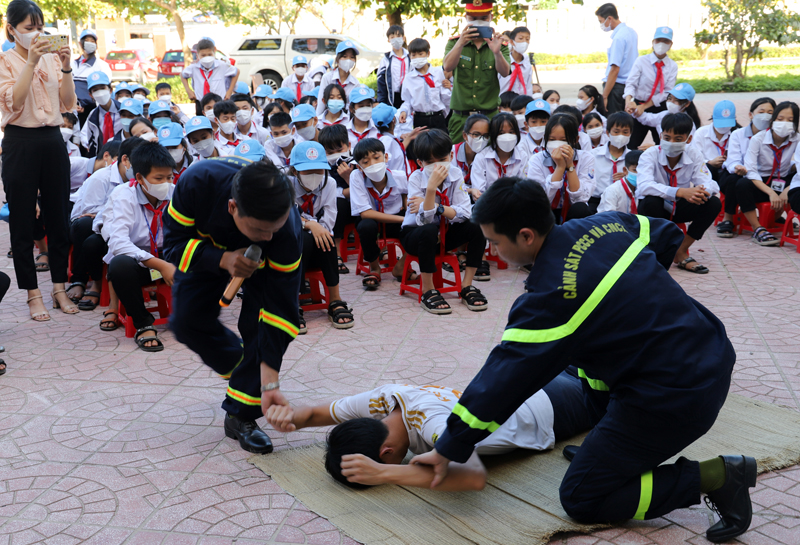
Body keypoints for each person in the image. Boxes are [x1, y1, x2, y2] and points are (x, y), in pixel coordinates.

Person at [412, 177, 756, 544]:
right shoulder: (602, 224)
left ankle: (719, 476)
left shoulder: (553, 296)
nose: (493, 252)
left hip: (676, 394)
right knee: (582, 362)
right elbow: (666, 235)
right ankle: (610, 445)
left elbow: (503, 378)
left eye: (495, 242)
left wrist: (450, 446)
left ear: (526, 235)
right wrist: (636, 303)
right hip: (708, 348)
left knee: (582, 496)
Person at [164, 157, 303, 454]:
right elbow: (173, 244)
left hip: (265, 268)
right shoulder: (197, 182)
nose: (267, 237)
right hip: (205, 251)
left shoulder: (286, 232)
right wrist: (223, 260)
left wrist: (268, 381)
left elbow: (280, 309)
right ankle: (242, 365)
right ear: (232, 207)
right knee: (186, 322)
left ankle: (241, 415)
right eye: (258, 230)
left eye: (272, 230)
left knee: (260, 329)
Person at [266, 370, 596, 490]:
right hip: (534, 378)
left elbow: (473, 476)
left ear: (386, 453)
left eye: (387, 463)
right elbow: (314, 414)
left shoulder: (431, 426)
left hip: (558, 406)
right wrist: (287, 417)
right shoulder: (384, 401)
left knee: (617, 395)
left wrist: (383, 475)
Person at [0, 0, 80, 321]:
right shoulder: (4, 61)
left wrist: (66, 66)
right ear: (11, 30)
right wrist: (31, 61)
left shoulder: (50, 55)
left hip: (52, 140)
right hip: (20, 140)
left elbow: (69, 103)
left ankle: (58, 287)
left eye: (40, 28)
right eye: (28, 29)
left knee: (59, 216)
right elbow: (15, 103)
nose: (36, 34)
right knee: (22, 221)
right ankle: (33, 294)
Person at [399, 129, 488, 314]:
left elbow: (465, 212)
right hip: (415, 235)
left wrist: (435, 206)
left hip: (446, 232)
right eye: (430, 162)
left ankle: (467, 286)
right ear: (420, 163)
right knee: (429, 230)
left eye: (442, 159)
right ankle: (428, 290)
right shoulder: (415, 178)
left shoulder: (456, 174)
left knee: (477, 226)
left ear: (451, 155)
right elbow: (423, 220)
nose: (437, 166)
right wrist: (431, 189)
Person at [104, 142, 176, 351]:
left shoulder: (175, 192)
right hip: (140, 262)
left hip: (168, 257)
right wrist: (160, 265)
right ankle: (143, 324)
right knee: (119, 265)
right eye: (158, 179)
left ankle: (196, 315)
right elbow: (118, 242)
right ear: (140, 178)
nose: (166, 183)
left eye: (169, 177)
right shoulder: (123, 195)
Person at [637, 112, 721, 273]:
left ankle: (681, 250)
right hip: (656, 209)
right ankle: (658, 251)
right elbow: (644, 186)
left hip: (680, 207)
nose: (671, 142)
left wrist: (701, 191)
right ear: (660, 135)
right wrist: (680, 192)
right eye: (667, 138)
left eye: (678, 139)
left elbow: (710, 183)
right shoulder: (650, 154)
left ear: (688, 139)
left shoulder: (693, 153)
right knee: (650, 201)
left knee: (712, 202)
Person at [290, 140, 355, 332]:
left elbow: (329, 222)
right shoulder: (285, 185)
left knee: (325, 238)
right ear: (295, 171)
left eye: (319, 170)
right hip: (291, 247)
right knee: (307, 237)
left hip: (318, 246)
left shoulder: (329, 183)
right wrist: (309, 223)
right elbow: (285, 220)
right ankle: (292, 303)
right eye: (307, 171)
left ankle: (335, 299)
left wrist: (316, 227)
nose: (314, 176)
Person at [443, 1, 510, 143]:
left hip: (489, 117)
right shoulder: (455, 42)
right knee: (458, 161)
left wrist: (497, 53)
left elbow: (505, 72)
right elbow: (447, 67)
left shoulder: (499, 43)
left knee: (489, 161)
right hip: (461, 118)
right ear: (466, 17)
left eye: (484, 18)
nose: (479, 22)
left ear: (491, 17)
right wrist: (460, 43)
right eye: (474, 18)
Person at [66, 140, 121, 308]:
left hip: (114, 224)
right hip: (85, 222)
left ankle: (99, 282)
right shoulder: (101, 176)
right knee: (85, 226)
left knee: (93, 242)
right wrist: (106, 213)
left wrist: (105, 213)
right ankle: (80, 279)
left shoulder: (137, 179)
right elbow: (88, 210)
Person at [350, 137, 411, 289]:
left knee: (416, 229)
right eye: (365, 162)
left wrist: (407, 216)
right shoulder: (356, 177)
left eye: (376, 158)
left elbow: (407, 197)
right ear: (359, 167)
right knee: (366, 226)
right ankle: (374, 267)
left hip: (396, 219)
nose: (373, 164)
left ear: (386, 157)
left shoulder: (399, 176)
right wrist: (401, 219)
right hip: (374, 220)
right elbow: (365, 213)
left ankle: (403, 265)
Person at [716, 98, 776, 238]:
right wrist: (738, 167)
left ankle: (774, 216)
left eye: (770, 112)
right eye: (761, 111)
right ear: (751, 114)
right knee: (734, 179)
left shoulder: (774, 136)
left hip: (759, 178)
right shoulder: (738, 134)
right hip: (737, 174)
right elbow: (731, 161)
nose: (765, 115)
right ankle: (728, 218)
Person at [745, 102, 799, 244]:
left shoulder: (797, 139)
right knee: (741, 184)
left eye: (790, 120)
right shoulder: (758, 138)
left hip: (784, 180)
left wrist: (788, 190)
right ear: (773, 120)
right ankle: (758, 228)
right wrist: (771, 193)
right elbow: (750, 170)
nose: (784, 123)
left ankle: (775, 219)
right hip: (762, 182)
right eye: (780, 119)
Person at [526, 114, 594, 223]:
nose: (557, 145)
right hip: (547, 210)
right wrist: (560, 167)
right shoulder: (536, 159)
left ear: (575, 139)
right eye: (552, 139)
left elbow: (581, 199)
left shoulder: (586, 158)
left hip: (572, 211)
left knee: (581, 209)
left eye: (563, 140)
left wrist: (570, 166)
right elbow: (539, 199)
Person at [624, 27, 677, 149]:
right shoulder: (641, 61)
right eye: (659, 40)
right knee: (632, 143)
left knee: (662, 143)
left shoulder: (672, 66)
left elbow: (667, 92)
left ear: (671, 44)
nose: (661, 44)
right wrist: (629, 103)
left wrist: (644, 106)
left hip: (659, 107)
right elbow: (631, 83)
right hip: (637, 106)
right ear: (653, 42)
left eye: (666, 41)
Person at [319, 124, 358, 274]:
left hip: (359, 209)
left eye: (340, 150)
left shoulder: (357, 161)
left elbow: (365, 192)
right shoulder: (323, 167)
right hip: (338, 210)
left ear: (348, 146)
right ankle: (336, 253)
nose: (336, 155)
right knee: (337, 203)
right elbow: (329, 194)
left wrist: (349, 179)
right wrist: (348, 190)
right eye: (330, 152)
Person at [470, 112, 526, 199]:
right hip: (488, 205)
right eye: (501, 133)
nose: (507, 137)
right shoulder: (481, 157)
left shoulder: (522, 156)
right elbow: (479, 192)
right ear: (493, 134)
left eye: (511, 132)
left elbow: (524, 188)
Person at [595, 2, 638, 114]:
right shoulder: (631, 32)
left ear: (609, 18)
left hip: (616, 87)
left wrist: (605, 96)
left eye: (601, 21)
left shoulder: (618, 38)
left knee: (614, 123)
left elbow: (615, 69)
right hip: (628, 86)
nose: (601, 25)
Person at [399, 38, 449, 132]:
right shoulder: (409, 78)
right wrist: (404, 111)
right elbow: (407, 101)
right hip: (420, 119)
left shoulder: (438, 73)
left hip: (438, 118)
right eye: (413, 55)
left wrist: (442, 114)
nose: (417, 57)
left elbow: (446, 97)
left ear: (428, 54)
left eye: (420, 54)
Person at [589, 111, 634, 213]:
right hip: (598, 199)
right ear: (608, 133)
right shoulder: (593, 155)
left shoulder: (633, 158)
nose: (620, 136)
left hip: (625, 199)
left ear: (630, 134)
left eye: (625, 132)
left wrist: (628, 180)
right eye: (616, 132)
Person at [181, 38, 239, 106]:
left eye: (209, 55)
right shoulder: (194, 67)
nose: (207, 58)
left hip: (220, 102)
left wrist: (229, 91)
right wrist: (188, 90)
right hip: (201, 102)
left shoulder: (222, 65)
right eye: (203, 55)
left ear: (214, 53)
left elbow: (236, 72)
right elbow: (182, 75)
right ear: (197, 56)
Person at [71, 28, 111, 127]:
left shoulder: (102, 65)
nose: (90, 43)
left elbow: (105, 91)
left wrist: (87, 105)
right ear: (80, 43)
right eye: (87, 41)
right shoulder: (72, 64)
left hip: (93, 110)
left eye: (92, 41)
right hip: (73, 110)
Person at [634, 83, 701, 141]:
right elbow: (648, 119)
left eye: (676, 100)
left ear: (687, 103)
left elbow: (687, 146)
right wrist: (634, 110)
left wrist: (656, 148)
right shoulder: (665, 115)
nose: (671, 103)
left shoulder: (688, 124)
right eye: (670, 98)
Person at [81, 71, 122, 157]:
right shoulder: (93, 115)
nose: (100, 93)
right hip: (104, 158)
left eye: (103, 88)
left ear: (110, 90)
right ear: (91, 95)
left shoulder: (124, 110)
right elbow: (85, 135)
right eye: (95, 90)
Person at [316, 41, 361, 116]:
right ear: (337, 59)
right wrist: (318, 120)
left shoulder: (355, 83)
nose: (348, 60)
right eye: (344, 56)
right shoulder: (327, 78)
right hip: (328, 118)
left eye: (352, 57)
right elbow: (321, 103)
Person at [452, 113, 490, 199]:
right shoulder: (451, 153)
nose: (481, 139)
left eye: (485, 136)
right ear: (465, 135)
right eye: (476, 134)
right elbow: (448, 185)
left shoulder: (489, 158)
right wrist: (470, 190)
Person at [377, 25, 410, 109]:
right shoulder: (386, 60)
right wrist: (382, 103)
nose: (396, 39)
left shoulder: (410, 58)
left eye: (398, 36)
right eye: (392, 37)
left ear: (403, 38)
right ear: (388, 40)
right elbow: (381, 82)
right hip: (393, 97)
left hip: (409, 95)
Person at [598, 149, 641, 213]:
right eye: (635, 170)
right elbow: (609, 216)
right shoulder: (613, 190)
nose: (639, 173)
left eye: (642, 170)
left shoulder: (642, 190)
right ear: (625, 170)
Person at [499, 26, 532, 96]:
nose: (524, 42)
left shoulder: (527, 65)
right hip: (504, 102)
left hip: (520, 103)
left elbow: (528, 87)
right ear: (512, 41)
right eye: (521, 38)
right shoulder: (502, 61)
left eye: (527, 39)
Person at [519, 99, 550, 164]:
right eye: (534, 122)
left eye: (543, 122)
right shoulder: (521, 147)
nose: (538, 125)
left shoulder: (551, 144)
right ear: (526, 124)